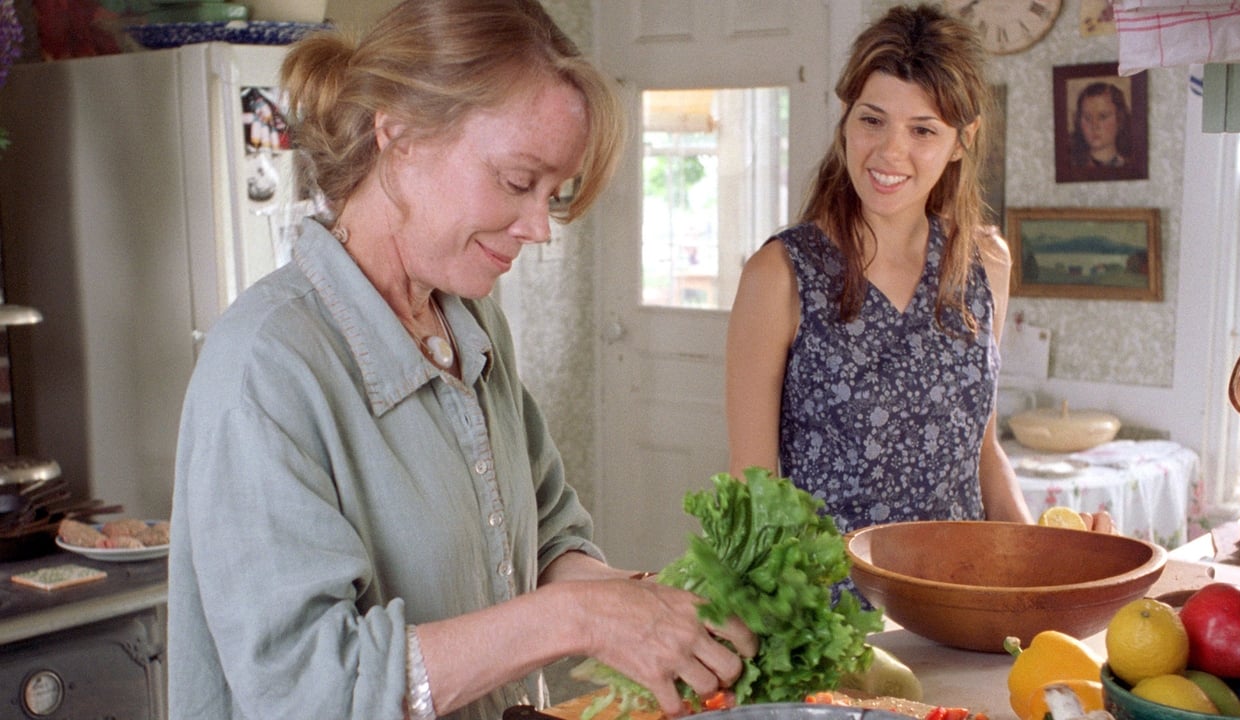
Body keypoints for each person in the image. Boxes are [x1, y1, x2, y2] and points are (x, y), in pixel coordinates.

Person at [166, 2, 755, 719]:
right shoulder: (265, 367)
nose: (540, 227)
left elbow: (544, 542)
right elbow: (311, 692)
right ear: (399, 134)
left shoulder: (470, 324)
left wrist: (653, 608)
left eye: (554, 193)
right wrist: (581, 619)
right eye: (517, 181)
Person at [725, 3, 1038, 563]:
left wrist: (1042, 562)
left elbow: (983, 452)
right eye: (872, 120)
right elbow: (752, 487)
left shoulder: (985, 262)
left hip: (962, 593)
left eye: (923, 130)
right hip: (831, 604)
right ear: (846, 116)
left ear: (962, 139)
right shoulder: (780, 275)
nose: (891, 152)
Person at [1068, 81, 1133, 169]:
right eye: (1087, 118)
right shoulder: (1072, 165)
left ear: (1119, 118)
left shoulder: (1131, 165)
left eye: (1103, 117)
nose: (1094, 126)